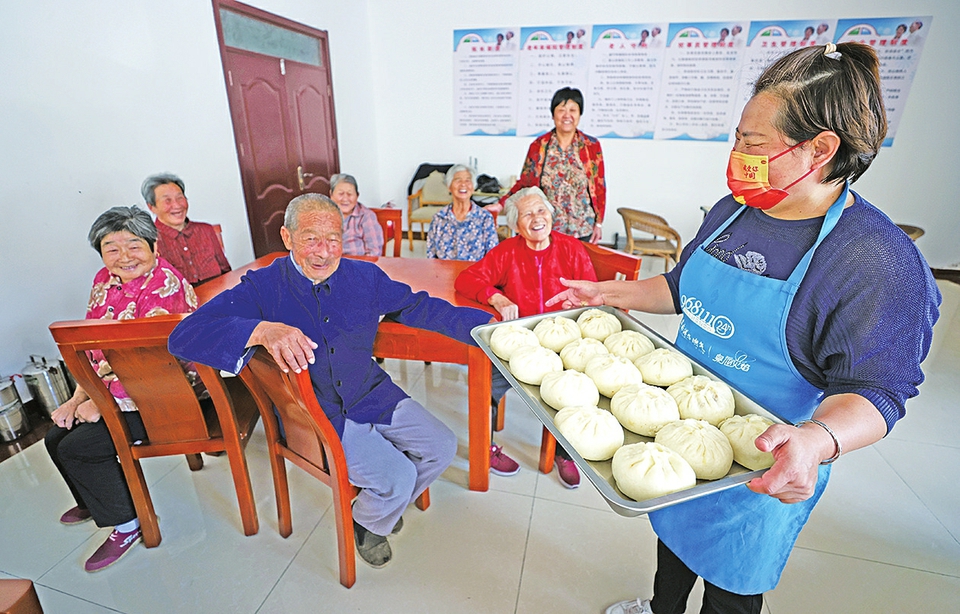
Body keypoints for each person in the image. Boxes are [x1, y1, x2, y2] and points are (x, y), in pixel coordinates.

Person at [546, 43, 941, 614]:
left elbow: (879, 390)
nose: (736, 154)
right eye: (737, 137)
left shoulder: (872, 260)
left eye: (752, 143)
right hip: (676, 431)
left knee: (732, 585)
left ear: (820, 149)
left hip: (762, 461)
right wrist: (610, 293)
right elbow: (683, 290)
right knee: (674, 539)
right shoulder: (732, 211)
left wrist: (818, 440)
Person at [168, 194, 493, 569]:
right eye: (310, 239)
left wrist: (488, 330)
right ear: (287, 237)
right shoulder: (263, 286)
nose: (324, 252)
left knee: (442, 446)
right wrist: (260, 330)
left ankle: (376, 508)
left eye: (334, 238)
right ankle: (370, 521)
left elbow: (419, 306)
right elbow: (184, 336)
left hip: (371, 392)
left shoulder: (365, 277)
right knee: (399, 477)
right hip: (316, 411)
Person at [46, 206, 198, 572]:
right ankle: (93, 497)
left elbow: (154, 365)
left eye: (133, 245)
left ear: (153, 246)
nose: (124, 256)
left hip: (165, 399)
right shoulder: (104, 280)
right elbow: (93, 349)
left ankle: (129, 525)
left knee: (81, 448)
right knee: (55, 437)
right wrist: (78, 398)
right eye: (111, 248)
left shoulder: (166, 284)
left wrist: (101, 404)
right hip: (115, 390)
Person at [456, 187, 599, 487]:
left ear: (551, 214)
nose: (537, 218)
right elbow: (467, 279)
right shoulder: (507, 251)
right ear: (515, 224)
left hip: (564, 343)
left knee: (576, 390)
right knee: (485, 382)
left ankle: (564, 452)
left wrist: (581, 306)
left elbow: (593, 296)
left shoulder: (572, 249)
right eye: (527, 214)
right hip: (518, 344)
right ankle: (488, 449)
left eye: (541, 210)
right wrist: (496, 297)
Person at [492, 87, 606, 243]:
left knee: (578, 267)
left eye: (573, 110)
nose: (567, 115)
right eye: (561, 110)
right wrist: (500, 205)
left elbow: (599, 186)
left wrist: (599, 223)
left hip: (583, 228)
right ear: (553, 114)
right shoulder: (539, 146)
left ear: (580, 114)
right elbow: (524, 183)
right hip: (547, 228)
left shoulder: (591, 146)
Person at [142, 173, 231, 285]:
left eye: (180, 198)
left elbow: (226, 272)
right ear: (151, 207)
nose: (177, 205)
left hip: (218, 296)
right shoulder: (148, 241)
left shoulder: (206, 230)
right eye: (167, 200)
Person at [426, 164, 499, 261]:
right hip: (444, 274)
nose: (463, 184)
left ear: (473, 187)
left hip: (475, 274)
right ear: (449, 186)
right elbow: (431, 255)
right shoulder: (439, 218)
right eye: (458, 180)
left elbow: (492, 257)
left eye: (468, 180)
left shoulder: (484, 218)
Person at [330, 173, 384, 257]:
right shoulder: (322, 215)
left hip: (357, 266)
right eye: (340, 193)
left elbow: (374, 252)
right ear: (331, 195)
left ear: (357, 195)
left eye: (350, 194)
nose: (345, 199)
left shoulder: (366, 216)